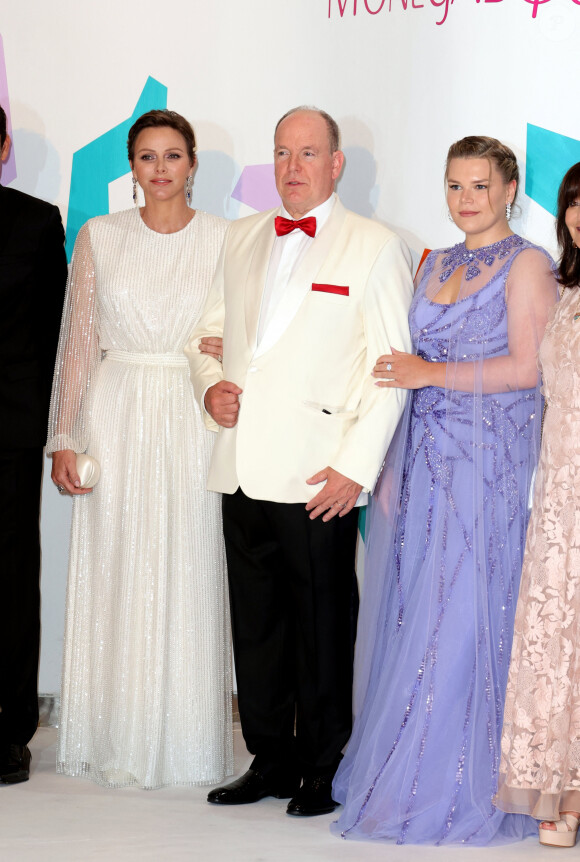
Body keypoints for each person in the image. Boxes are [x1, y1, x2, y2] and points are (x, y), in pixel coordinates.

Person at [186, 106, 414, 816]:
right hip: (241, 463)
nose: (292, 167)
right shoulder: (245, 235)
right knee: (255, 626)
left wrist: (357, 466)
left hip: (321, 474)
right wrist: (210, 387)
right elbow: (208, 333)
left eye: (308, 153)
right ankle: (270, 758)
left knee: (322, 627)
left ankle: (323, 764)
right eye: (283, 152)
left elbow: (390, 369)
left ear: (336, 163)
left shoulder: (375, 246)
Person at [332, 136, 559, 844]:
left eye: (481, 187)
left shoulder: (529, 266)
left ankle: (466, 787)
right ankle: (411, 772)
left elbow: (529, 371)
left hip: (487, 467)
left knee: (468, 616)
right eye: (455, 186)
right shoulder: (432, 263)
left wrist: (429, 376)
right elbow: (404, 367)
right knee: (418, 617)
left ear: (510, 191)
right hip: (427, 461)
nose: (467, 200)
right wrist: (394, 467)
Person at [47, 109, 233, 789]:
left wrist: (229, 347)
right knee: (117, 564)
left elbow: (243, 328)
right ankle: (112, 733)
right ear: (132, 167)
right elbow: (78, 343)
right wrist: (65, 434)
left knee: (187, 559)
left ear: (192, 165)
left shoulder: (225, 238)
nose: (160, 169)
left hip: (191, 412)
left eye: (173, 156)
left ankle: (183, 740)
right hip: (116, 410)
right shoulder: (99, 235)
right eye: (148, 157)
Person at [495, 162, 580, 848]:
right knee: (560, 643)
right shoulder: (564, 289)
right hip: (559, 491)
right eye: (574, 203)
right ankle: (565, 791)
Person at [0, 106, 67, 784]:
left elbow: (52, 334)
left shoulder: (35, 221)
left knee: (11, 583)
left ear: (4, 146)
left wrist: (53, 430)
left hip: (7, 434)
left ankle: (10, 727)